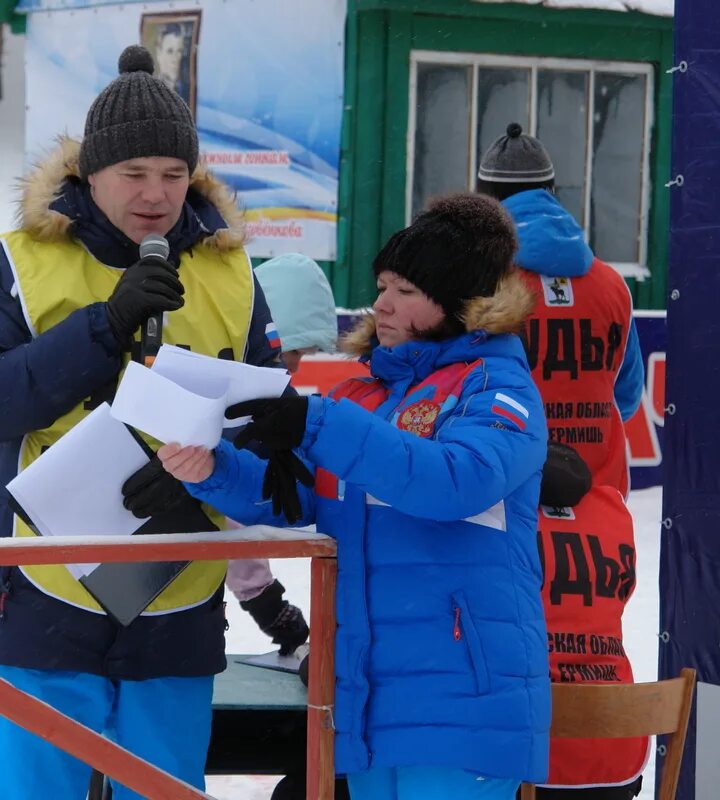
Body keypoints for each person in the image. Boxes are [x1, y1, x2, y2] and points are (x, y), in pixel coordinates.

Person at [0, 44, 282, 800]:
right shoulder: (20, 261)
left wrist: (208, 484)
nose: (155, 194)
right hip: (43, 583)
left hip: (179, 585)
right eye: (133, 174)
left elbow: (271, 425)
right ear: (88, 173)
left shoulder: (233, 271)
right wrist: (106, 324)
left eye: (172, 174)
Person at [160, 193, 552, 800]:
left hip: (463, 707)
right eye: (383, 285)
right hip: (368, 705)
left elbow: (452, 481)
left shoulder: (499, 389)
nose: (382, 303)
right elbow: (290, 498)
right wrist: (209, 466)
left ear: (459, 304)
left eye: (405, 291)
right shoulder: (364, 397)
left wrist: (314, 423)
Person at [477, 123, 644, 496]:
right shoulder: (612, 284)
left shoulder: (479, 279)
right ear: (551, 191)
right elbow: (627, 395)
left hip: (507, 493)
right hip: (599, 494)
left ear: (486, 197)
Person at [227, 253, 339, 657]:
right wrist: (265, 602)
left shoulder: (264, 398)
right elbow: (231, 510)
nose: (298, 367)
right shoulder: (244, 401)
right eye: (295, 353)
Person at [529, 442, 645, 800]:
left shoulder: (506, 514)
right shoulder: (613, 509)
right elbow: (624, 592)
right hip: (617, 742)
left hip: (537, 756)